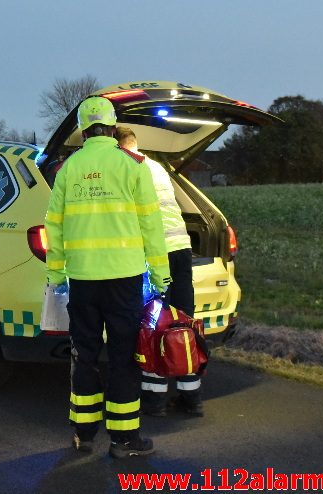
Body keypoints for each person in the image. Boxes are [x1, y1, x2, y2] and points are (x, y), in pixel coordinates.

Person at [45, 97, 171, 458]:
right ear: (113, 127)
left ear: (84, 129)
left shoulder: (68, 168)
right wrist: (161, 276)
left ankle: (83, 433)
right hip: (124, 279)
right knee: (122, 356)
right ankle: (124, 439)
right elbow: (152, 225)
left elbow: (54, 226)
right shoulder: (132, 165)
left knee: (83, 354)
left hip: (82, 279)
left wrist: (56, 274)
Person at [115, 127, 203, 417]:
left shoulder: (127, 168)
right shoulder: (157, 167)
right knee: (183, 323)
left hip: (155, 254)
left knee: (154, 324)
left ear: (118, 147)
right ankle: (192, 398)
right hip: (181, 248)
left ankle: (154, 400)